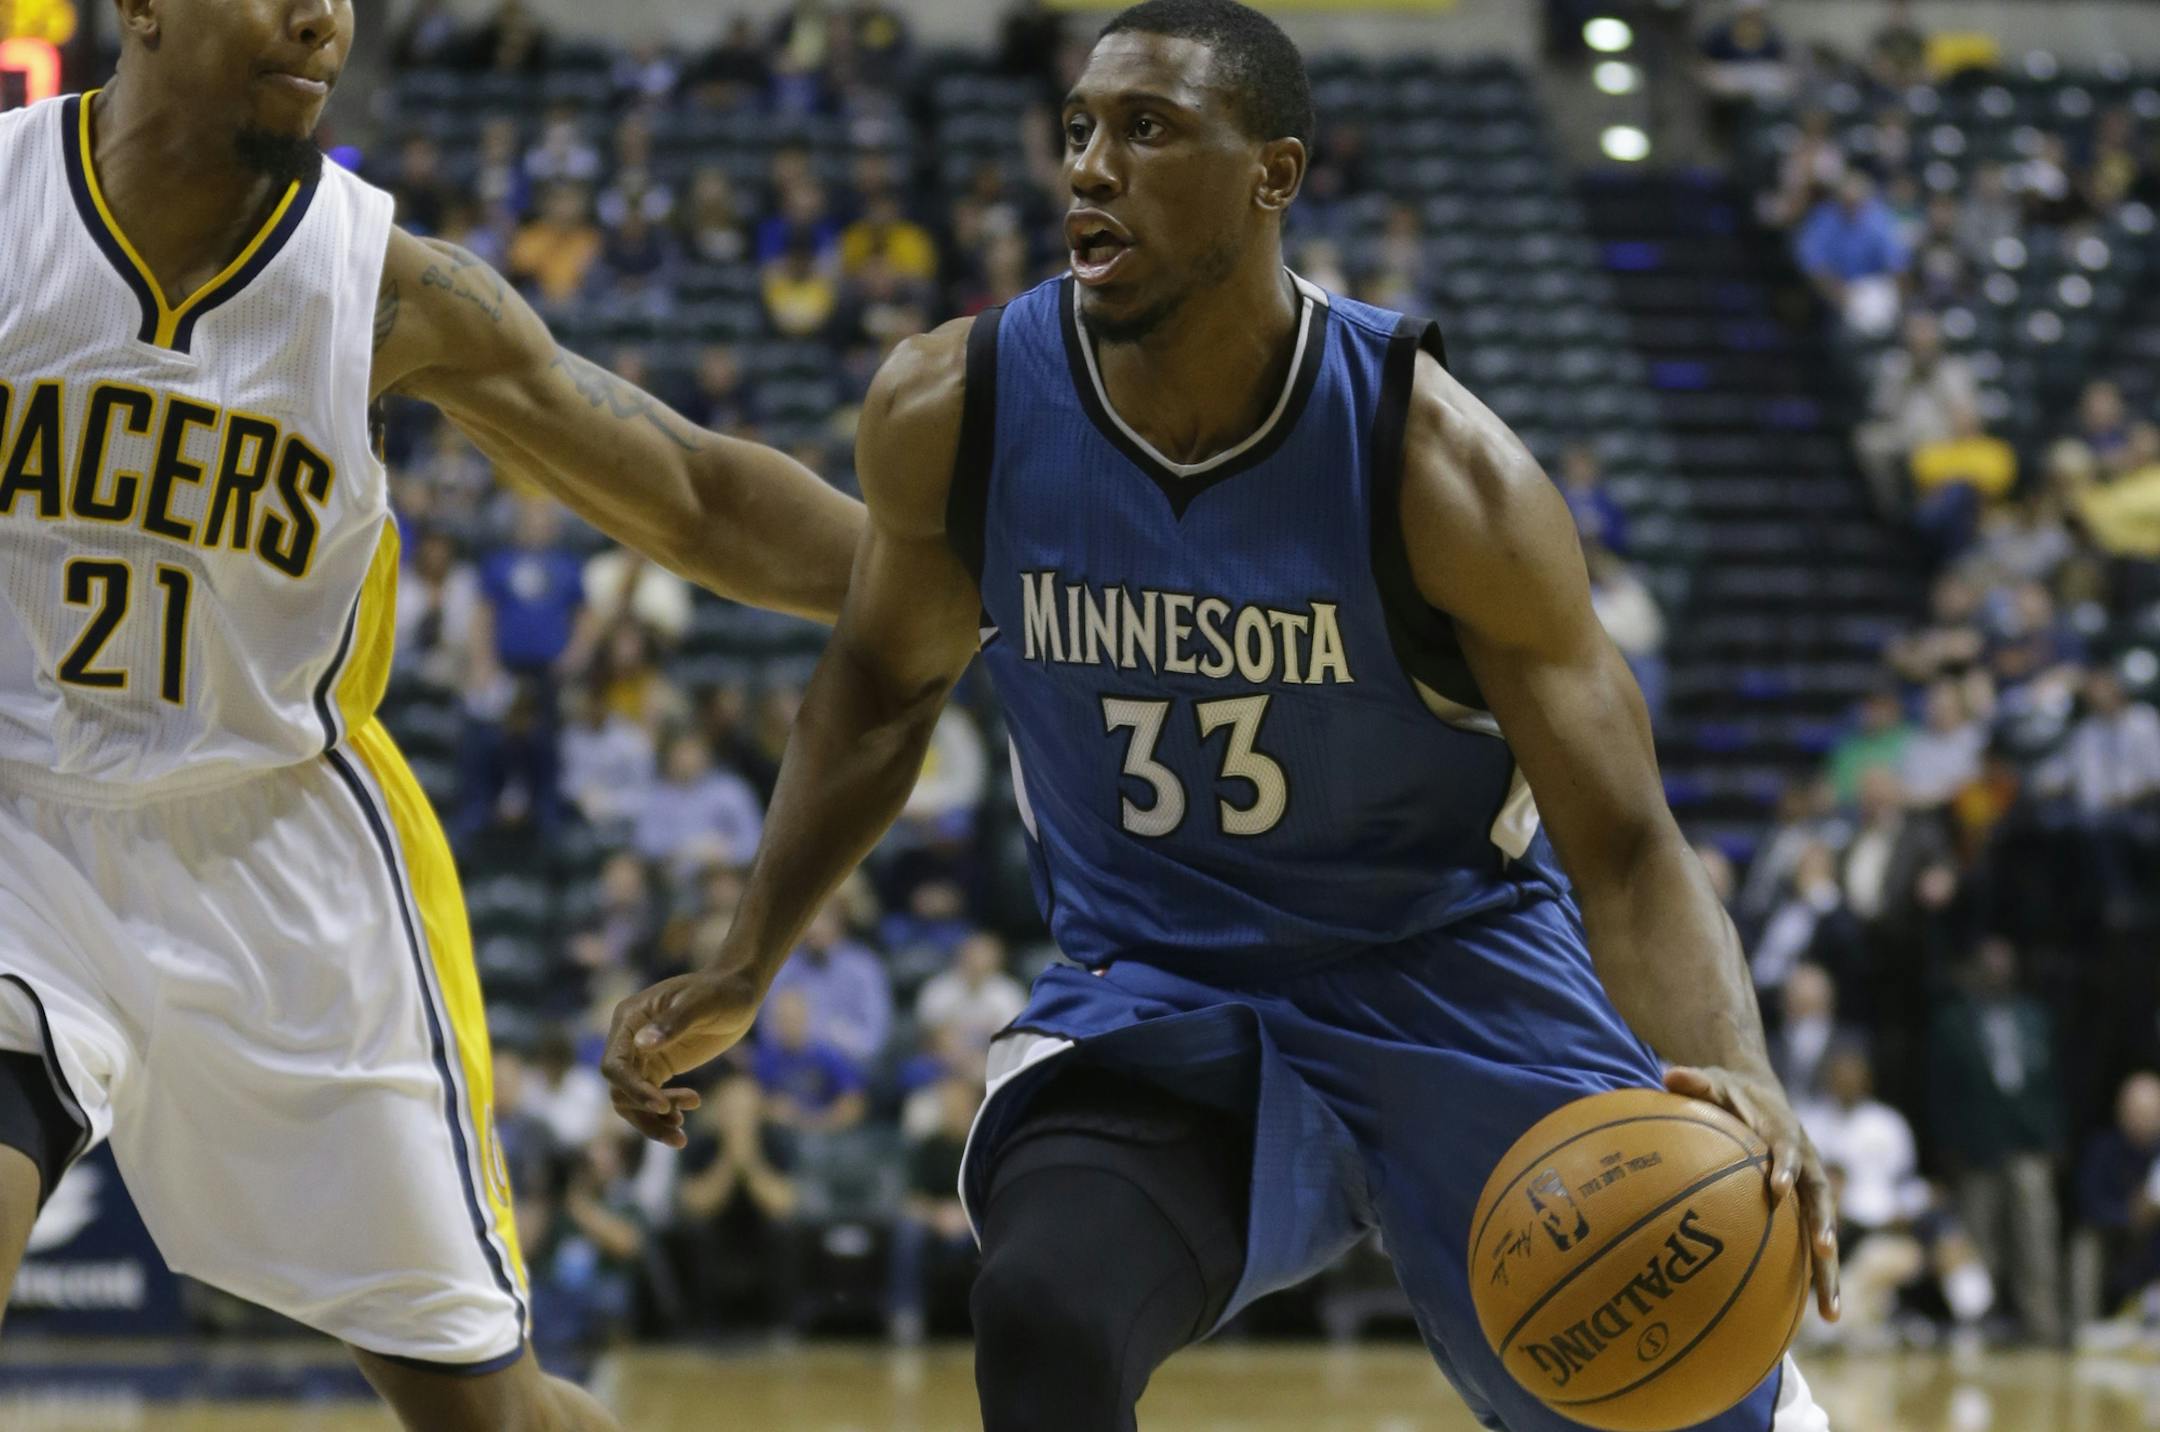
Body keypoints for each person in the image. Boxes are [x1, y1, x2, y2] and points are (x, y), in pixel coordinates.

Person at [603, 5, 1838, 1430]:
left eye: (1147, 129)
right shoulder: (962, 407)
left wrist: (1741, 1076)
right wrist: (746, 965)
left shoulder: (1438, 471)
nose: (1089, 166)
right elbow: (876, 700)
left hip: (1455, 979)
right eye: (1077, 129)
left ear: (1274, 174)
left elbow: (1621, 844)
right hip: (1163, 994)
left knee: (1684, 1376)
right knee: (1046, 1302)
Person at [0, 6, 863, 1428]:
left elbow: (698, 496)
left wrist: (996, 578)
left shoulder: (386, 285)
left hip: (275, 856)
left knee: (489, 1418)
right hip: (22, 828)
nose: (325, 14)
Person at [1929, 938, 2066, 1346]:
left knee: (2036, 1237)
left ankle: (2042, 1324)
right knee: (1978, 1241)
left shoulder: (2035, 1016)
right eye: (1989, 964)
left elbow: (2054, 1084)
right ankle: (1977, 1326)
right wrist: (1947, 1146)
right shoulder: (1952, 1022)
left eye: (2003, 964)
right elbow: (1940, 1093)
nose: (1997, 971)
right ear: (1975, 970)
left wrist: (2056, 1136)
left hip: (2030, 1144)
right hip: (1976, 1148)